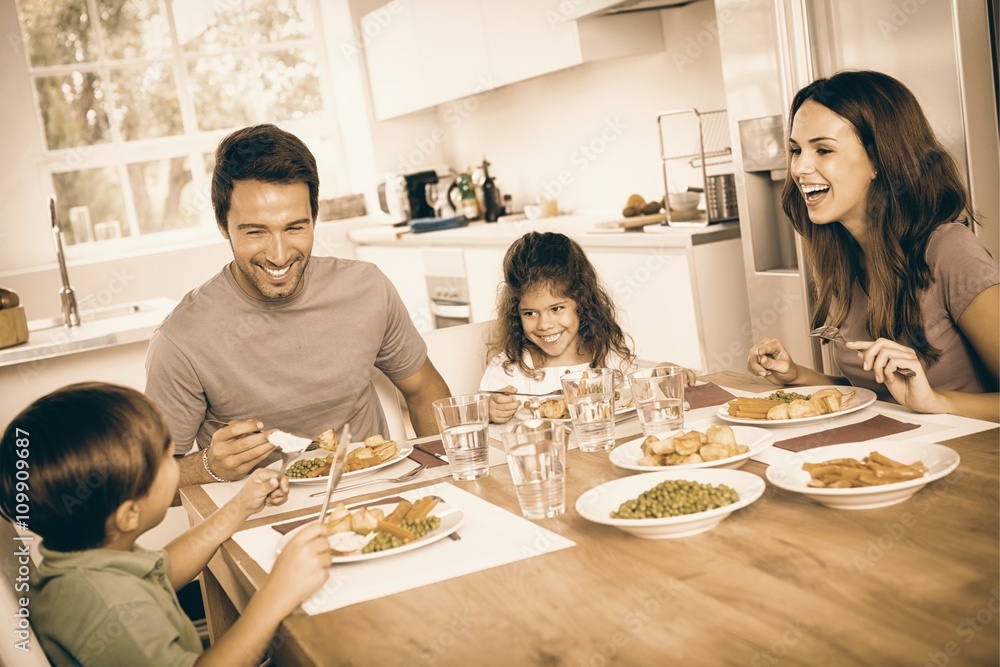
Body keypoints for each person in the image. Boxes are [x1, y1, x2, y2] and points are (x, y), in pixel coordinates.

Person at [146, 124, 450, 488]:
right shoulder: (182, 339)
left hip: (375, 495)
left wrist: (447, 474)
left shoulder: (366, 288)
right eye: (255, 231)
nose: (278, 255)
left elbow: (424, 390)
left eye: (294, 228)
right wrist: (210, 466)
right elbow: (152, 484)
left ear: (314, 218)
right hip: (263, 520)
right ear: (222, 225)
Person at [0, 383, 333, 666]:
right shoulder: (112, 607)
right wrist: (276, 595)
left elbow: (162, 571)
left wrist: (240, 506)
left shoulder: (84, 563)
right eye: (165, 455)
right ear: (129, 514)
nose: (175, 460)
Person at [747, 70, 999, 422]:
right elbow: (882, 395)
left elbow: (921, 400)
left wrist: (937, 401)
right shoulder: (842, 254)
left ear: (879, 160)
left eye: (823, 149)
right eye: (795, 150)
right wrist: (798, 377)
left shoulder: (951, 252)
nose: (800, 168)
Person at [481, 232, 696, 423]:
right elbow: (476, 414)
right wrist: (488, 410)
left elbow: (635, 392)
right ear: (515, 314)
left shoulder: (606, 355)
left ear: (581, 302)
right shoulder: (509, 368)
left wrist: (659, 376)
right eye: (530, 313)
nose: (544, 324)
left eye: (556, 309)